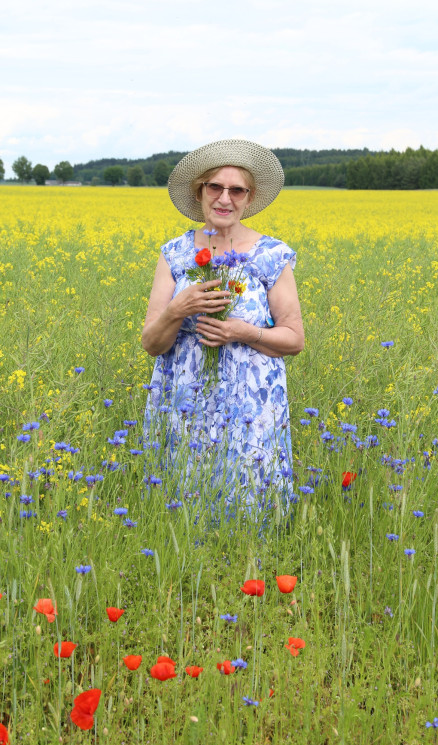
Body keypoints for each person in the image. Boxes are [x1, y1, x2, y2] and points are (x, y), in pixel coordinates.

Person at [142, 139, 304, 517]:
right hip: (184, 404)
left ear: (250, 197)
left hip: (250, 405)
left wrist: (243, 332)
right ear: (200, 191)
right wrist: (176, 311)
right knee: (181, 513)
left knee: (248, 506)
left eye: (237, 190)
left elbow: (294, 340)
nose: (225, 198)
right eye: (215, 186)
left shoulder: (271, 255)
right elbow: (152, 343)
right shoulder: (175, 254)